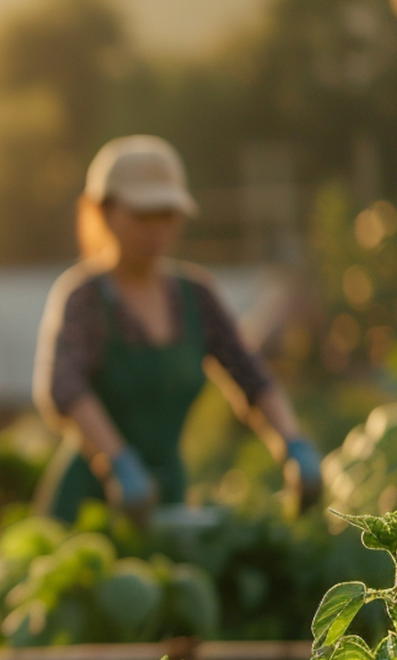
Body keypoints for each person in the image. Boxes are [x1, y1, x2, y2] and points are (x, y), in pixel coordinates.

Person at [32, 135, 322, 525]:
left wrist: (292, 443)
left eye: (166, 215)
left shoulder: (195, 296)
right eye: (142, 215)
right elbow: (64, 388)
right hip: (87, 502)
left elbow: (250, 375)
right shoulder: (85, 297)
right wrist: (117, 462)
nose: (156, 230)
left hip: (167, 492)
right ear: (107, 212)